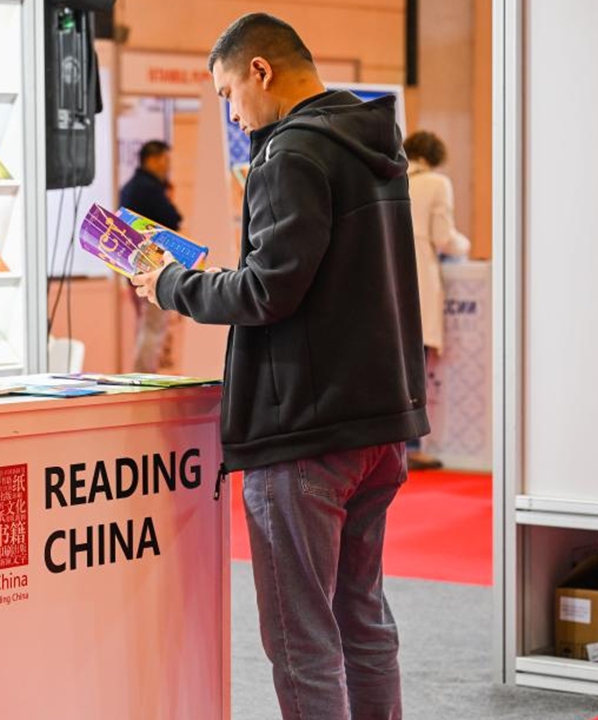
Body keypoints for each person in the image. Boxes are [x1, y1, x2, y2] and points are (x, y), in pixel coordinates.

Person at [131, 13, 426, 720]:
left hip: (304, 430)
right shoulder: (368, 141)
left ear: (260, 71)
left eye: (229, 93)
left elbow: (269, 290)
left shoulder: (292, 154)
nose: (231, 112)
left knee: (302, 638)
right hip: (376, 419)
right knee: (362, 618)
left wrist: (172, 284)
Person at [403, 131, 471, 471]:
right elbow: (444, 237)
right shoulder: (436, 183)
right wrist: (466, 247)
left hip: (385, 277)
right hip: (419, 278)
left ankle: (389, 448)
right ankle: (413, 446)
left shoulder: (390, 176)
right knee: (417, 364)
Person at [119, 140, 183, 373]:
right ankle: (145, 377)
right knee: (153, 326)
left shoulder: (129, 188)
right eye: (165, 160)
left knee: (146, 324)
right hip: (152, 267)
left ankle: (143, 374)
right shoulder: (149, 188)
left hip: (133, 266)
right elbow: (173, 218)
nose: (167, 166)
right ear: (152, 159)